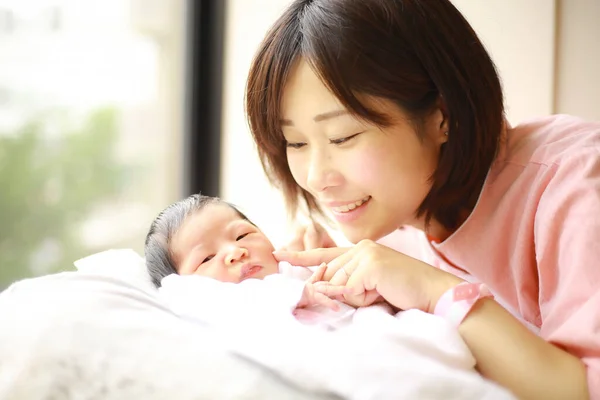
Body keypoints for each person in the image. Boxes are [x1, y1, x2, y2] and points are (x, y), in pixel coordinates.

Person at [244, 0, 600, 399]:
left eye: (342, 137)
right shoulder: (394, 224)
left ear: (442, 117)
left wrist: (436, 292)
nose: (315, 177)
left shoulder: (574, 182)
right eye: (295, 142)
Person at [144, 193, 355, 327]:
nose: (236, 251)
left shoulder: (298, 269)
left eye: (242, 236)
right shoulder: (201, 302)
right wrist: (300, 293)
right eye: (207, 258)